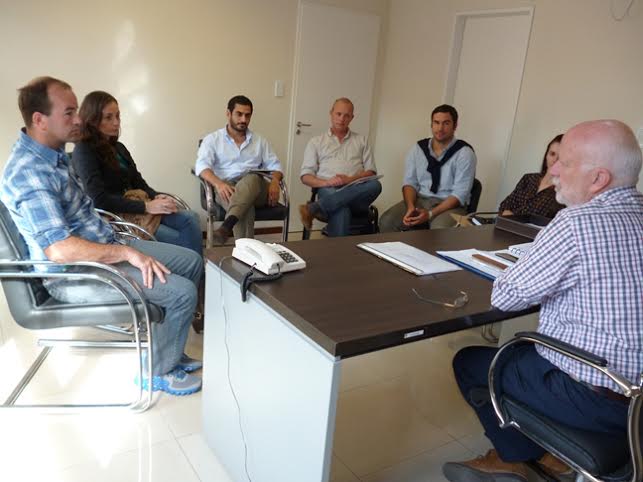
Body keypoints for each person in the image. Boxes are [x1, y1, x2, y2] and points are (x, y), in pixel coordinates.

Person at [442, 120, 643, 482]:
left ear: (598, 179)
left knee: (470, 362)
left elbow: (505, 296)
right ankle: (553, 458)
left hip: (599, 398)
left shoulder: (575, 223)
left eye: (564, 162)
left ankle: (514, 459)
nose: (553, 171)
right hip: (636, 397)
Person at [1, 76, 204, 396]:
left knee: (191, 261)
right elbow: (60, 250)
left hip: (105, 246)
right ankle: (157, 372)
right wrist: (128, 253)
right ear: (40, 120)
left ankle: (168, 350)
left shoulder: (54, 156)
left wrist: (124, 246)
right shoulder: (30, 173)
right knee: (181, 293)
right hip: (76, 273)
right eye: (69, 112)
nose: (78, 119)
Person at [71, 91, 203, 256]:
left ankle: (196, 269)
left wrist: (156, 196)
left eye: (118, 116)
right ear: (92, 120)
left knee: (191, 218)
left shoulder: (119, 148)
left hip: (136, 208)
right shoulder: (84, 151)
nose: (116, 122)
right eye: (108, 117)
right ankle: (188, 265)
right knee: (177, 239)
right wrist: (147, 206)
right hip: (117, 218)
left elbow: (139, 182)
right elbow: (99, 199)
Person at [194, 95, 283, 245]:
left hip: (257, 189)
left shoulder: (260, 141)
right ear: (228, 114)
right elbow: (202, 167)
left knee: (252, 178)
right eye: (239, 114)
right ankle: (247, 250)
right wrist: (219, 184)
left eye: (247, 115)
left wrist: (275, 181)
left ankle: (227, 226)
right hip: (226, 186)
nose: (243, 119)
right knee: (244, 205)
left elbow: (275, 166)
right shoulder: (213, 139)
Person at [379, 104, 476, 231]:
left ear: (455, 125)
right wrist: (410, 207)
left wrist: (430, 214)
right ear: (431, 124)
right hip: (420, 200)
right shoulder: (418, 149)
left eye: (446, 123)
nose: (440, 128)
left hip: (450, 206)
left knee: (438, 230)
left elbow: (459, 194)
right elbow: (410, 183)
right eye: (436, 122)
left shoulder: (465, 153)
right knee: (387, 221)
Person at [298, 97, 382, 237]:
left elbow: (371, 172)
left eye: (346, 116)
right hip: (328, 189)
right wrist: (326, 183)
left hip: (357, 193)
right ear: (331, 113)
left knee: (375, 185)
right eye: (338, 114)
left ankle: (315, 207)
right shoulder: (316, 142)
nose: (342, 119)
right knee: (341, 209)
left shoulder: (361, 141)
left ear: (352, 118)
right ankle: (340, 251)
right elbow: (305, 177)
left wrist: (350, 179)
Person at [498, 134, 565, 218]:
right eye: (552, 154)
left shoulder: (562, 192)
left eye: (560, 157)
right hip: (505, 223)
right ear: (546, 155)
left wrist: (514, 218)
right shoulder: (528, 178)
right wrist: (507, 214)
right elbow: (505, 205)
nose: (555, 160)